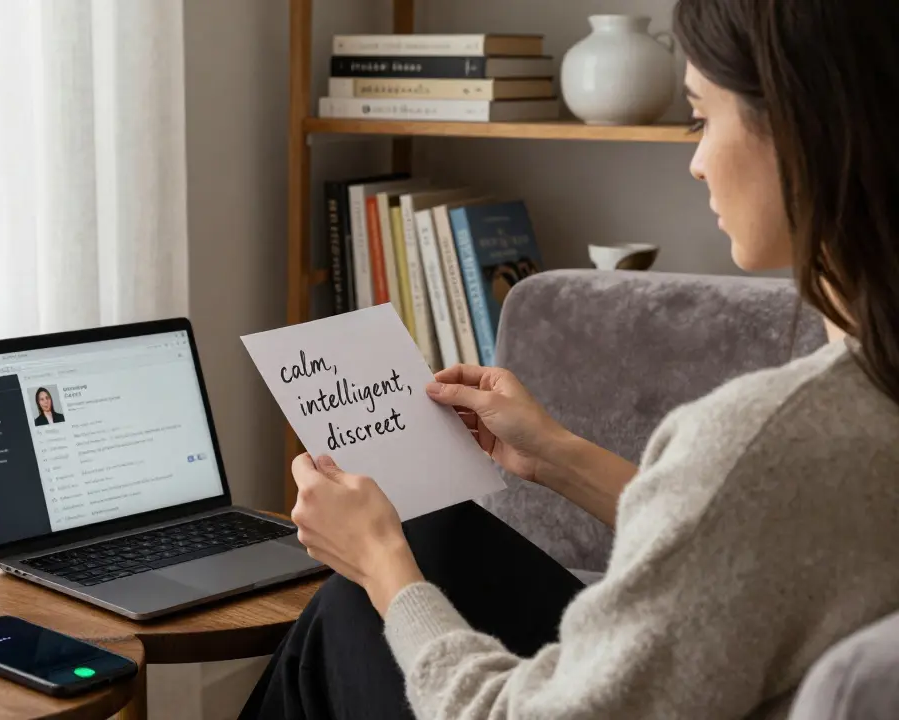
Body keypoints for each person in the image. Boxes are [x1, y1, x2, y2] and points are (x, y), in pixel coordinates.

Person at [241, 0, 899, 717]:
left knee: (351, 608)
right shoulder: (857, 412)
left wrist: (381, 566)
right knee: (441, 530)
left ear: (803, 132)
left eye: (702, 117)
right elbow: (762, 537)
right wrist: (553, 455)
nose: (697, 162)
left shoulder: (758, 438)